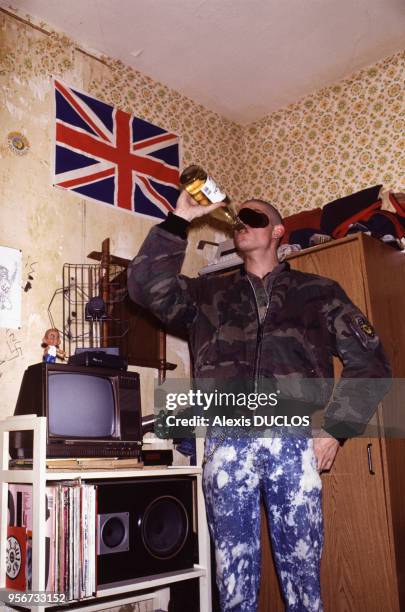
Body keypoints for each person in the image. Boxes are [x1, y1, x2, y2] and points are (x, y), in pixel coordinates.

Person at [127, 191, 391, 612]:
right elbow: (144, 287)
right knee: (232, 582)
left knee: (304, 581)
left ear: (278, 231)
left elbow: (372, 363)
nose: (242, 224)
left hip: (294, 444)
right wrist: (181, 218)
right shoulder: (206, 296)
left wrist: (336, 431)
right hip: (227, 444)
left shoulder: (318, 292)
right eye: (238, 220)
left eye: (254, 217)